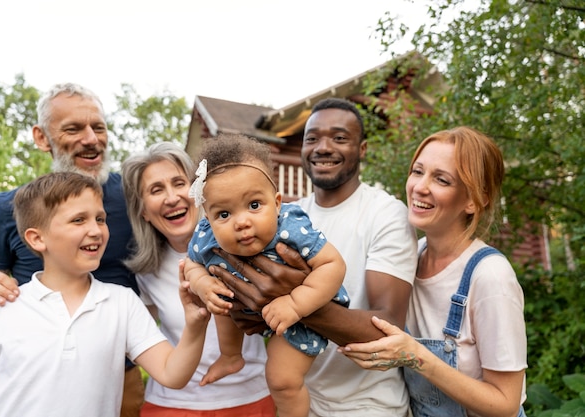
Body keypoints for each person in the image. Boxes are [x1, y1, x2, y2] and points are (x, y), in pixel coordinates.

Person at [206, 98, 418, 416]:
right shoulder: (286, 217)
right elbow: (250, 296)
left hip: (368, 405)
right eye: (312, 138)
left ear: (362, 149)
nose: (323, 147)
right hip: (298, 396)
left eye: (339, 137)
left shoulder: (385, 214)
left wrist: (294, 303)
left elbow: (387, 326)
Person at [0, 83, 145, 417]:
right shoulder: (8, 209)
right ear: (42, 137)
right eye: (73, 129)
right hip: (36, 379)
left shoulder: (135, 197)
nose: (91, 139)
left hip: (119, 376)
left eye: (98, 127)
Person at [0, 172, 210, 417]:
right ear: (37, 238)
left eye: (100, 219)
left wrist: (195, 323)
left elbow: (171, 373)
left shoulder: (122, 303)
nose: (96, 230)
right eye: (79, 220)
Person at [340, 126, 528, 417]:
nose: (420, 187)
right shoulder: (408, 258)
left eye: (441, 179)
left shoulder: (490, 277)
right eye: (417, 171)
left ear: (474, 200)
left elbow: (505, 403)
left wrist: (415, 356)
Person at [183, 133, 348, 417]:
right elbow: (190, 265)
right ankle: (231, 355)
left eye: (254, 205)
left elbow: (333, 265)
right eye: (223, 214)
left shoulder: (292, 230)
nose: (242, 222)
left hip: (303, 312)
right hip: (249, 304)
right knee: (219, 294)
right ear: (207, 219)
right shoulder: (206, 238)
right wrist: (203, 284)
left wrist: (295, 303)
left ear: (277, 203)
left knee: (282, 381)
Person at [121, 141, 276, 417]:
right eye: (156, 190)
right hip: (173, 405)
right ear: (143, 211)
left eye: (179, 183)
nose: (172, 198)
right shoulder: (145, 272)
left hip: (249, 399)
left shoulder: (249, 243)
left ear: (200, 192)